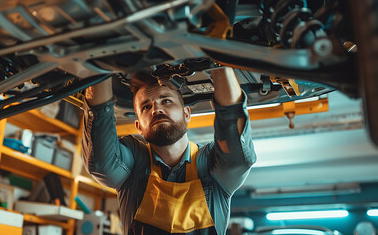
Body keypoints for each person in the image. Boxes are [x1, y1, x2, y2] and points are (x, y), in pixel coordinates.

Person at [81, 66, 256, 235]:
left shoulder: (210, 162)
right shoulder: (134, 161)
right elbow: (102, 163)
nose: (156, 109)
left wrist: (218, 63)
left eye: (166, 101)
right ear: (138, 126)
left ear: (187, 113)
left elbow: (236, 154)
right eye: (146, 107)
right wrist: (99, 66)